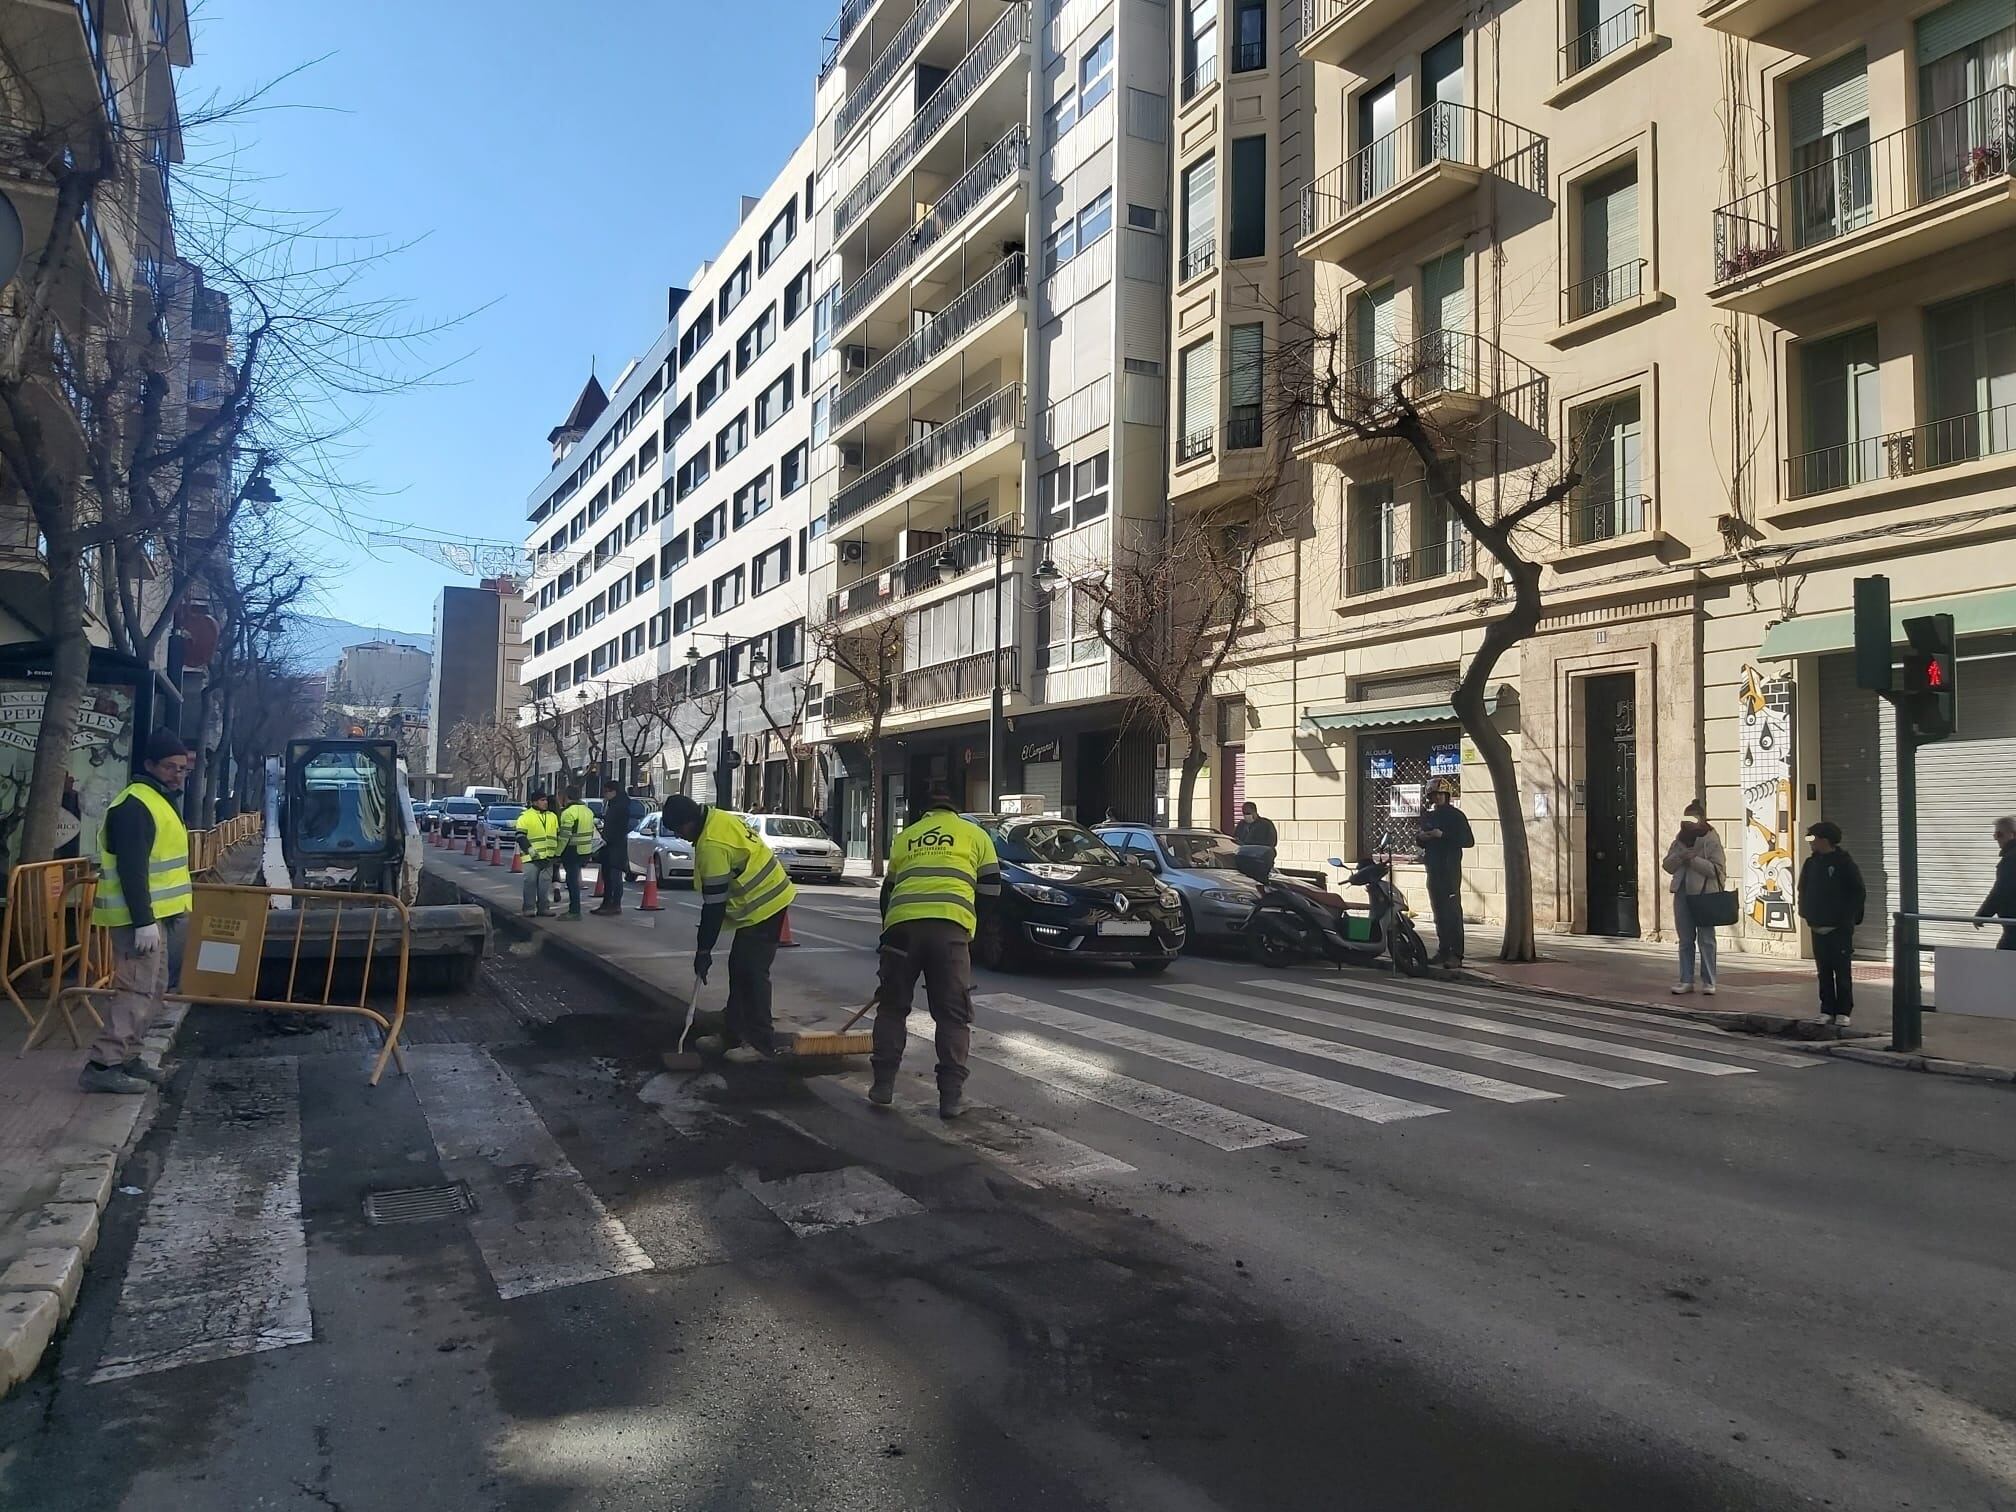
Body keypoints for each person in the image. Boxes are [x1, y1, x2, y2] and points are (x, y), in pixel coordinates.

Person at [870, 787, 1001, 1121]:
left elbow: (889, 889)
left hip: (901, 929)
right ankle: (951, 1098)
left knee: (892, 1007)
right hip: (950, 928)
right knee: (952, 1015)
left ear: (925, 814)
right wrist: (973, 926)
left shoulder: (907, 836)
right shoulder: (975, 834)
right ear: (955, 811)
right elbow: (990, 887)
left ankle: (883, 1085)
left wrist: (888, 933)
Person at [80, 729, 196, 1094]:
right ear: (149, 765)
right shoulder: (135, 805)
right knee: (135, 988)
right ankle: (104, 1063)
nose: (178, 774)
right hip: (136, 919)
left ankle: (128, 1057)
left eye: (183, 768)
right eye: (170, 767)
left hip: (154, 917)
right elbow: (133, 869)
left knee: (153, 988)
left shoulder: (157, 800)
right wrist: (144, 921)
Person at [662, 793, 795, 1063]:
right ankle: (733, 1034)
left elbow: (714, 906)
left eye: (679, 830)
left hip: (766, 904)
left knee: (753, 971)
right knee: (739, 966)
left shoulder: (711, 844)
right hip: (764, 900)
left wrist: (703, 951)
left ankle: (760, 1043)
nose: (681, 836)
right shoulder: (717, 818)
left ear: (688, 822)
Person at [1797, 820, 1866, 1028]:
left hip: (1839, 927)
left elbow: (1858, 892)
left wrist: (1847, 917)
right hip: (1817, 925)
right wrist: (1806, 913)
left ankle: (1844, 1011)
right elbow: (1803, 889)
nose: (1810, 843)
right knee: (1823, 971)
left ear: (1824, 839)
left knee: (1842, 970)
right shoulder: (1811, 863)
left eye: (1813, 838)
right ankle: (1826, 1009)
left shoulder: (1844, 863)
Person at [1663, 798, 1728, 996]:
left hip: (1703, 894)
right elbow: (1667, 865)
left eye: (1693, 818)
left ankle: (1709, 982)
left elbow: (1717, 870)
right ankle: (1686, 980)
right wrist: (1680, 856)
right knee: (1685, 940)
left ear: (1701, 819)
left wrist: (1694, 860)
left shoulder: (1710, 839)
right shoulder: (1679, 840)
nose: (1689, 822)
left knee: (1707, 939)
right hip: (1682, 893)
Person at [1419, 778, 1474, 968]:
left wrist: (1443, 835)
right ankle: (1443, 950)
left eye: (1441, 794)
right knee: (1439, 912)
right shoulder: (1428, 816)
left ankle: (1456, 954)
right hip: (1433, 868)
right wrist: (1423, 837)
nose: (1437, 798)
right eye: (1434, 795)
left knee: (1452, 912)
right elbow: (1420, 838)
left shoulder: (1456, 816)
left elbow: (1468, 840)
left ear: (1447, 796)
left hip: (1449, 869)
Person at [513, 792, 562, 917]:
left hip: (548, 857)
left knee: (544, 885)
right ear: (534, 802)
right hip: (531, 858)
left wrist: (556, 854)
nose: (545, 802)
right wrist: (531, 852)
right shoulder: (525, 816)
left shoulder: (552, 816)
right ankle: (529, 908)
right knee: (530, 883)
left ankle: (543, 908)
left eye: (546, 800)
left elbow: (556, 835)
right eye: (542, 800)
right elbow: (520, 836)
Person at [1975, 816, 2016, 951]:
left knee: (2003, 961)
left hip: (2013, 928)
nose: (1995, 838)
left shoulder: (2010, 860)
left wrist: (1982, 915)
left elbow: (2000, 892)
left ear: (2012, 834)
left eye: (1998, 834)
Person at [555, 787, 597, 920]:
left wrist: (557, 853)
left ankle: (574, 911)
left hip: (572, 851)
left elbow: (564, 836)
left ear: (566, 796)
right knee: (574, 880)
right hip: (585, 851)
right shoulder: (588, 811)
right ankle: (574, 910)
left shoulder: (568, 813)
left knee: (572, 881)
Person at [593, 782, 633, 914]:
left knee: (614, 877)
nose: (605, 794)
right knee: (608, 876)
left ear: (614, 791)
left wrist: (606, 839)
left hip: (615, 847)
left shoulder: (619, 807)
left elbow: (616, 827)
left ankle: (614, 904)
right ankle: (607, 903)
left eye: (606, 791)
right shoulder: (614, 805)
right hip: (611, 846)